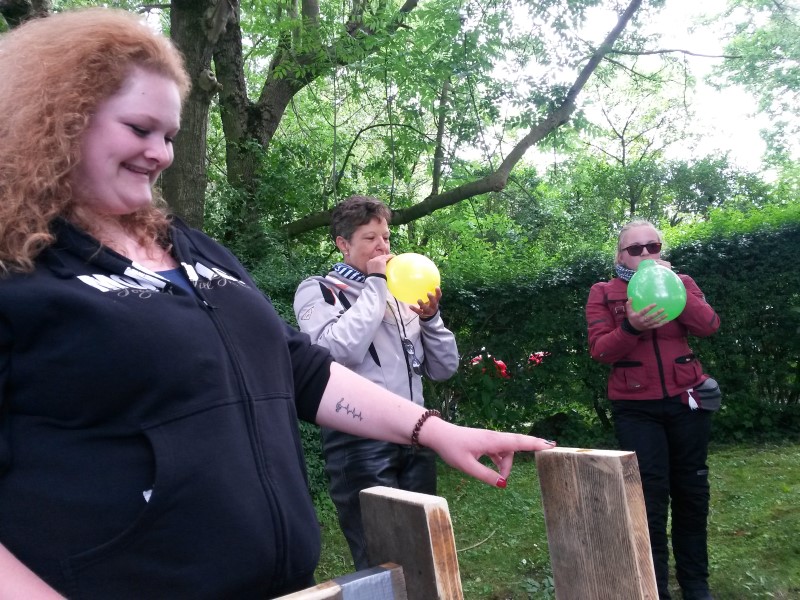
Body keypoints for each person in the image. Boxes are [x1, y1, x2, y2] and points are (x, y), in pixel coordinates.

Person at [0, 8, 557, 599]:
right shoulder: (17, 273)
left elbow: (297, 368)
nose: (161, 154)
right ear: (57, 120)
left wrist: (434, 430)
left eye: (170, 136)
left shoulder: (193, 249)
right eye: (140, 129)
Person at [293, 195, 458, 570]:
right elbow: (337, 352)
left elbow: (444, 368)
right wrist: (376, 284)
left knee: (424, 548)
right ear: (343, 243)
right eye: (370, 238)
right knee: (381, 555)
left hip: (416, 433)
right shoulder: (319, 290)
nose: (382, 246)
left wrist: (430, 318)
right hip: (359, 441)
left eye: (386, 237)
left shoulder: (402, 293)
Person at [585, 220, 720, 600]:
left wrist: (676, 287)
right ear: (619, 256)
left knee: (692, 493)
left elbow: (709, 325)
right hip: (635, 409)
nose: (645, 254)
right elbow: (600, 350)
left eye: (653, 246)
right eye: (635, 249)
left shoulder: (682, 281)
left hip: (686, 400)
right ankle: (655, 587)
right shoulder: (603, 292)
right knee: (649, 499)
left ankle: (696, 585)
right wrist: (631, 326)